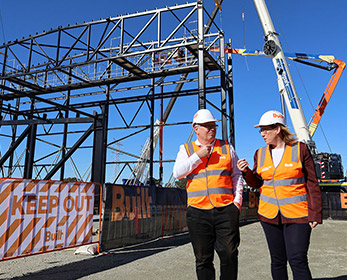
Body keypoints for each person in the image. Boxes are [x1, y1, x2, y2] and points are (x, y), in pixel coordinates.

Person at [237, 110, 322, 280]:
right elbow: (257, 183)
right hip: (269, 215)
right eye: (260, 130)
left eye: (265, 129)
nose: (262, 134)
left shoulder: (300, 149)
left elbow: (312, 182)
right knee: (277, 261)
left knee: (297, 259)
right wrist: (246, 172)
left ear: (277, 129)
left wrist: (315, 213)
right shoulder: (259, 154)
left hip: (298, 214)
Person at [173, 108, 243, 280]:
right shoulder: (187, 149)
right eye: (207, 126)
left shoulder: (226, 147)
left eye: (213, 125)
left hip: (226, 209)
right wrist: (198, 156)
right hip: (198, 211)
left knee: (229, 254)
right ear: (196, 129)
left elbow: (236, 175)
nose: (212, 129)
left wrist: (237, 202)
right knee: (203, 259)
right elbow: (178, 172)